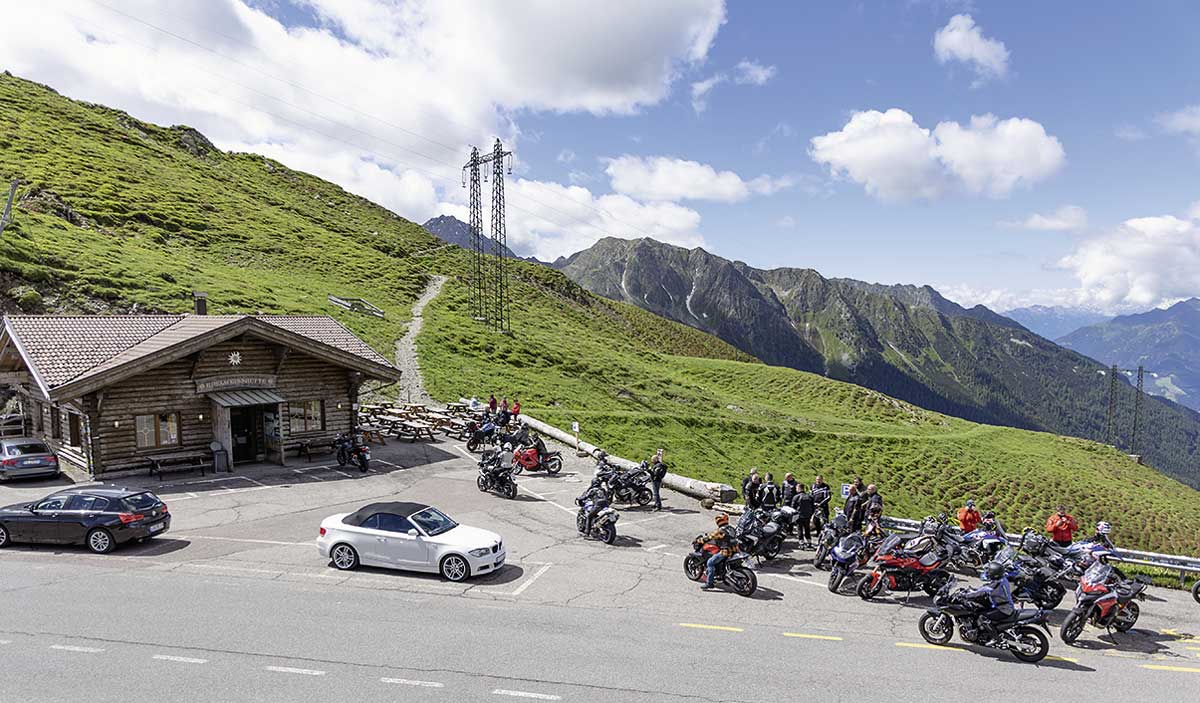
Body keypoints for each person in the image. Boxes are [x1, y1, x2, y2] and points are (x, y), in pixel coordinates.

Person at [964, 560, 1016, 645]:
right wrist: (974, 590)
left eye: (989, 571)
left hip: (1003, 609)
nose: (987, 573)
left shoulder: (996, 584)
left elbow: (983, 591)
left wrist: (967, 595)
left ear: (994, 573)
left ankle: (995, 638)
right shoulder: (1001, 579)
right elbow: (985, 588)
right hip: (1004, 606)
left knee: (982, 617)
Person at [701, 513, 738, 590]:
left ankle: (709, 583)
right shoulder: (732, 528)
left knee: (710, 563)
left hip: (726, 551)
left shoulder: (720, 531)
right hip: (735, 550)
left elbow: (709, 537)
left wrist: (700, 540)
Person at [792, 483, 815, 548]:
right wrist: (811, 514)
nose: (796, 489)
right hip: (807, 516)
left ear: (799, 488)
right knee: (807, 529)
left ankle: (801, 543)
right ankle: (809, 542)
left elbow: (793, 507)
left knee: (800, 529)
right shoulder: (810, 496)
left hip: (799, 516)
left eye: (796, 488)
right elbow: (813, 507)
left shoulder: (796, 497)